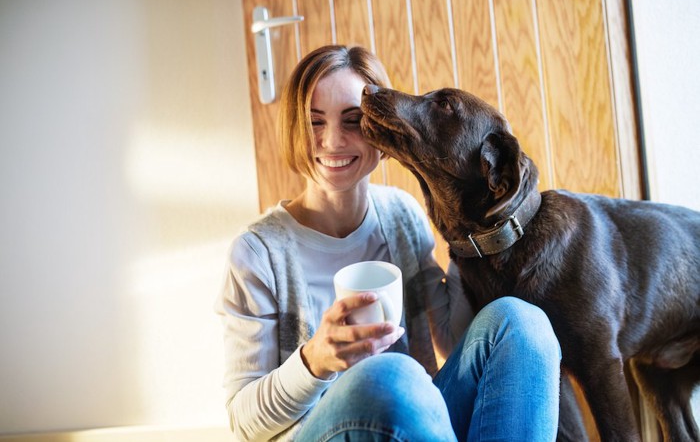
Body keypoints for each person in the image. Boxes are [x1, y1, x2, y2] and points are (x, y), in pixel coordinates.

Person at [215, 44, 561, 441]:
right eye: (314, 122)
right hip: (320, 430)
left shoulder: (401, 214)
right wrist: (315, 362)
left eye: (351, 120)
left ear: (378, 125)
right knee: (392, 373)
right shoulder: (257, 254)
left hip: (414, 418)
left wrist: (466, 226)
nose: (332, 141)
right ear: (294, 127)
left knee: (521, 322)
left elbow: (451, 337)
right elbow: (243, 423)